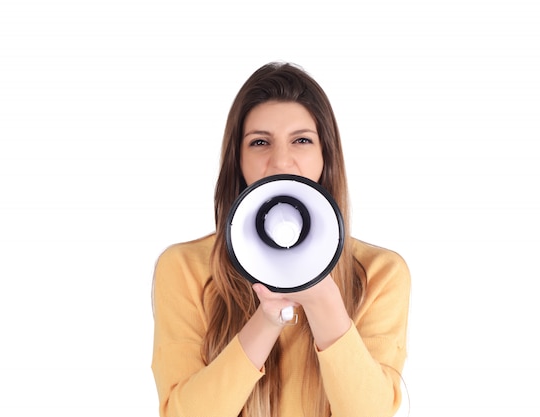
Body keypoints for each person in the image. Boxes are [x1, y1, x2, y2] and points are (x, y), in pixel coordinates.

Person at [151, 62, 411, 417]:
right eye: (260, 142)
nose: (281, 161)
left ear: (326, 157)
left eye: (301, 140)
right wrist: (268, 318)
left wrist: (323, 302)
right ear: (237, 160)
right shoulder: (185, 268)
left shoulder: (380, 273)